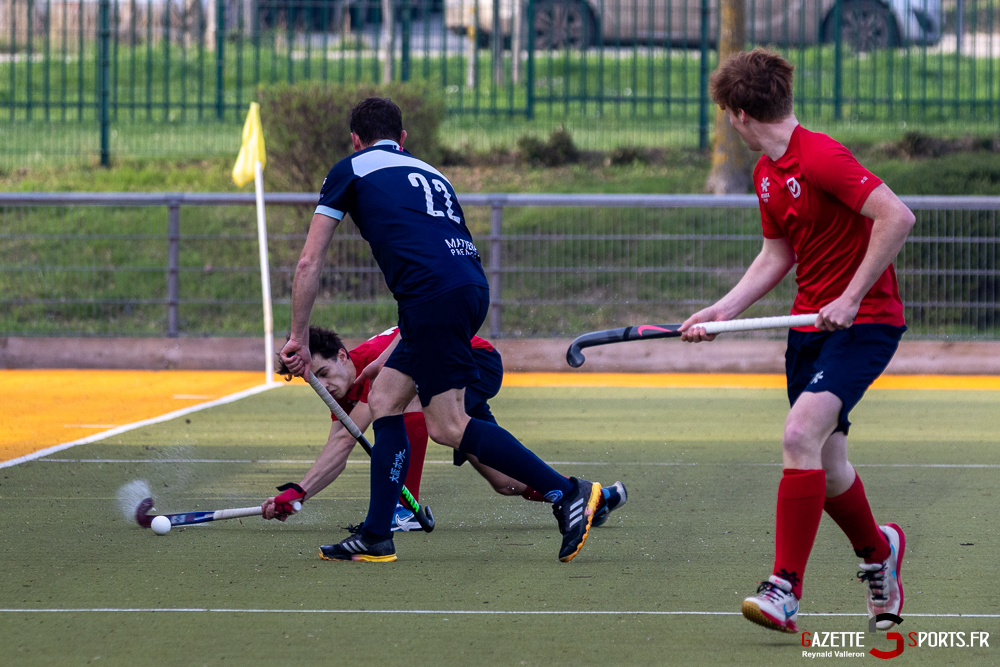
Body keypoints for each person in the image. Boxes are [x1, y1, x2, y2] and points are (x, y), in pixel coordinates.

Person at [279, 97, 608, 563]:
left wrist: (297, 336)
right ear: (404, 138)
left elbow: (310, 260)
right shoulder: (433, 172)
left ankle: (570, 492)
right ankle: (377, 534)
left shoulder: (350, 168)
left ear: (355, 139)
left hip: (431, 298)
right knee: (385, 399)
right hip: (466, 288)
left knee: (448, 425)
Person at [680, 49, 915, 633]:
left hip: (865, 323)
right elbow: (776, 255)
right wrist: (722, 309)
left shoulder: (821, 157)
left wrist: (853, 296)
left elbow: (897, 216)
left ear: (737, 114)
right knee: (827, 462)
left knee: (798, 433)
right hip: (808, 329)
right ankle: (878, 551)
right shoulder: (766, 174)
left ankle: (784, 586)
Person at [262, 325, 627, 530]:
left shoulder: (372, 362)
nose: (323, 387)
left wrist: (301, 490)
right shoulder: (341, 394)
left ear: (342, 356)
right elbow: (338, 446)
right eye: (315, 384)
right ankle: (589, 496)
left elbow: (344, 440)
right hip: (445, 378)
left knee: (404, 406)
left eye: (324, 374)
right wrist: (300, 491)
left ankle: (404, 512)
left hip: (473, 360)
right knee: (504, 482)